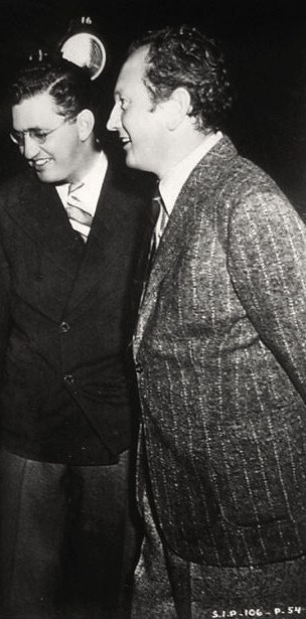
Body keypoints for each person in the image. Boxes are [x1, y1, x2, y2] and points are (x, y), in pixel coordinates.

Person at [107, 24, 306, 616]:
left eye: (123, 103)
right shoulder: (176, 200)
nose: (113, 122)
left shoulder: (246, 204)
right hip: (179, 519)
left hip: (251, 536)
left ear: (178, 107)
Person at [0, 55, 154, 618]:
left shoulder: (146, 199)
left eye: (40, 133)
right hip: (29, 435)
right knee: (22, 597)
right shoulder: (1, 209)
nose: (28, 151)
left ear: (86, 124)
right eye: (19, 136)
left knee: (106, 598)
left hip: (116, 431)